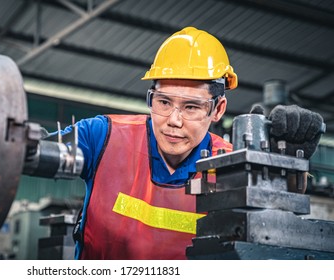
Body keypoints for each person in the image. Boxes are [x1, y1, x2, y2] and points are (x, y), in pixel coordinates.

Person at [59, 27, 324, 260]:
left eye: (191, 107)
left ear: (218, 109)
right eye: (163, 102)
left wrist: (285, 169)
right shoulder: (101, 137)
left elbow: (277, 235)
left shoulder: (235, 167)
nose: (173, 121)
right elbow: (28, 153)